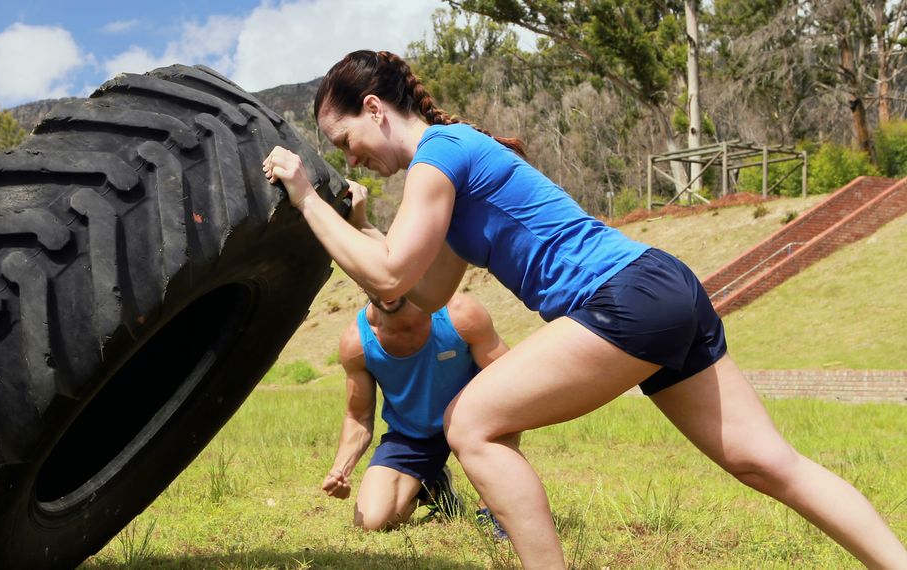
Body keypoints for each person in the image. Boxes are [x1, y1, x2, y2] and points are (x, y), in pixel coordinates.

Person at [262, 49, 907, 569]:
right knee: (765, 462)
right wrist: (364, 224)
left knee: (469, 424)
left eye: (344, 140)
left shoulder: (440, 156)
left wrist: (307, 200)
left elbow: (392, 272)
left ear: (373, 109)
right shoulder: (451, 165)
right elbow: (421, 295)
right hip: (661, 287)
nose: (352, 159)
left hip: (620, 298)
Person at [323, 289, 510, 537]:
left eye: (392, 276)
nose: (385, 287)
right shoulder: (357, 342)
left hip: (473, 423)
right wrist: (340, 469)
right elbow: (358, 418)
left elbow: (509, 381)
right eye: (373, 278)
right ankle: (431, 488)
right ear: (361, 281)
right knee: (372, 521)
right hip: (412, 435)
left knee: (495, 413)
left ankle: (493, 507)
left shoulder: (458, 314)